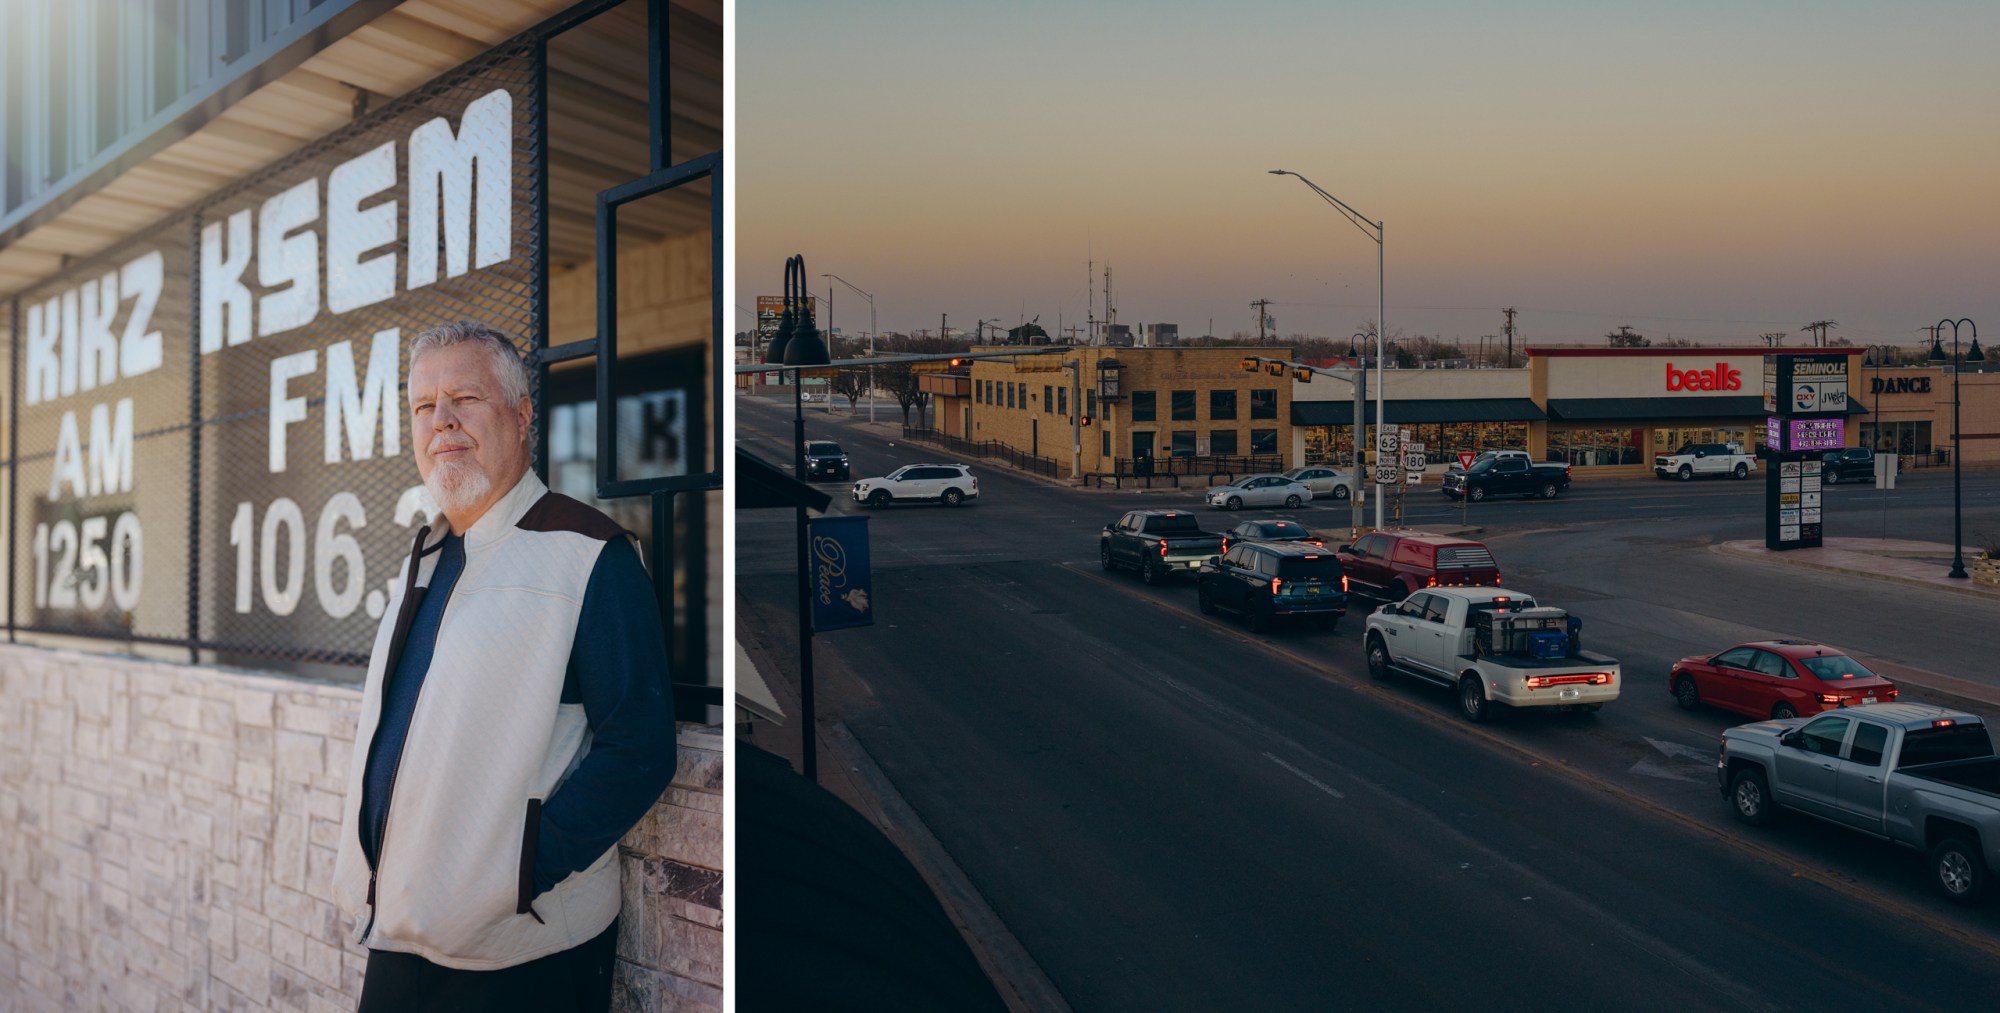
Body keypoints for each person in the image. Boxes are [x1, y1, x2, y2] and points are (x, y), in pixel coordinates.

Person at [331, 321, 677, 1012]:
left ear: (522, 417)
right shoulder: (425, 559)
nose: (443, 421)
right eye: (424, 406)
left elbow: (640, 748)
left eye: (465, 397)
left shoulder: (590, 554)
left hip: (519, 951)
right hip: (401, 932)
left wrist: (513, 874)